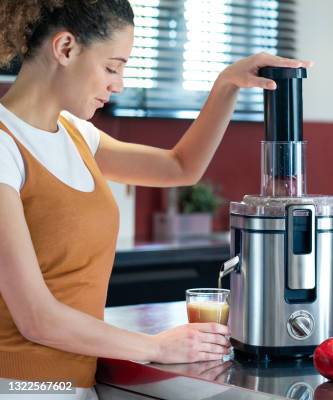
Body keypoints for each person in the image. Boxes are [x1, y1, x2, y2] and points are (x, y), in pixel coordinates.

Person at [0, 1, 312, 398]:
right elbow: (36, 318)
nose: (119, 84)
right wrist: (157, 347)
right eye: (112, 67)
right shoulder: (4, 146)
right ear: (65, 49)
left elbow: (180, 168)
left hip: (74, 386)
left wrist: (227, 84)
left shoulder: (75, 135)